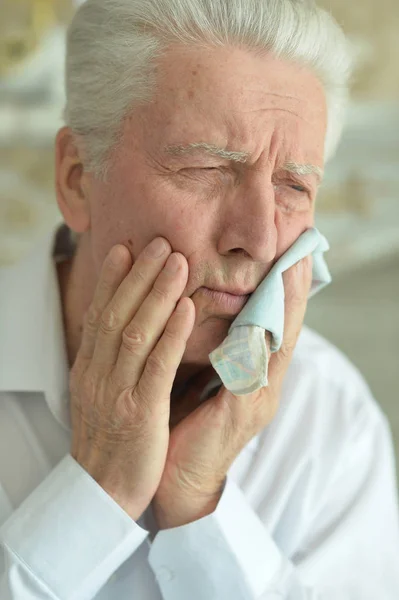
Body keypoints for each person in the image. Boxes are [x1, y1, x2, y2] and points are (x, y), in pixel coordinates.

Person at [0, 0, 398, 598]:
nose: (260, 239)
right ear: (77, 177)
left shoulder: (332, 421)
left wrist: (200, 497)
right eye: (208, 167)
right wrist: (96, 493)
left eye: (294, 185)